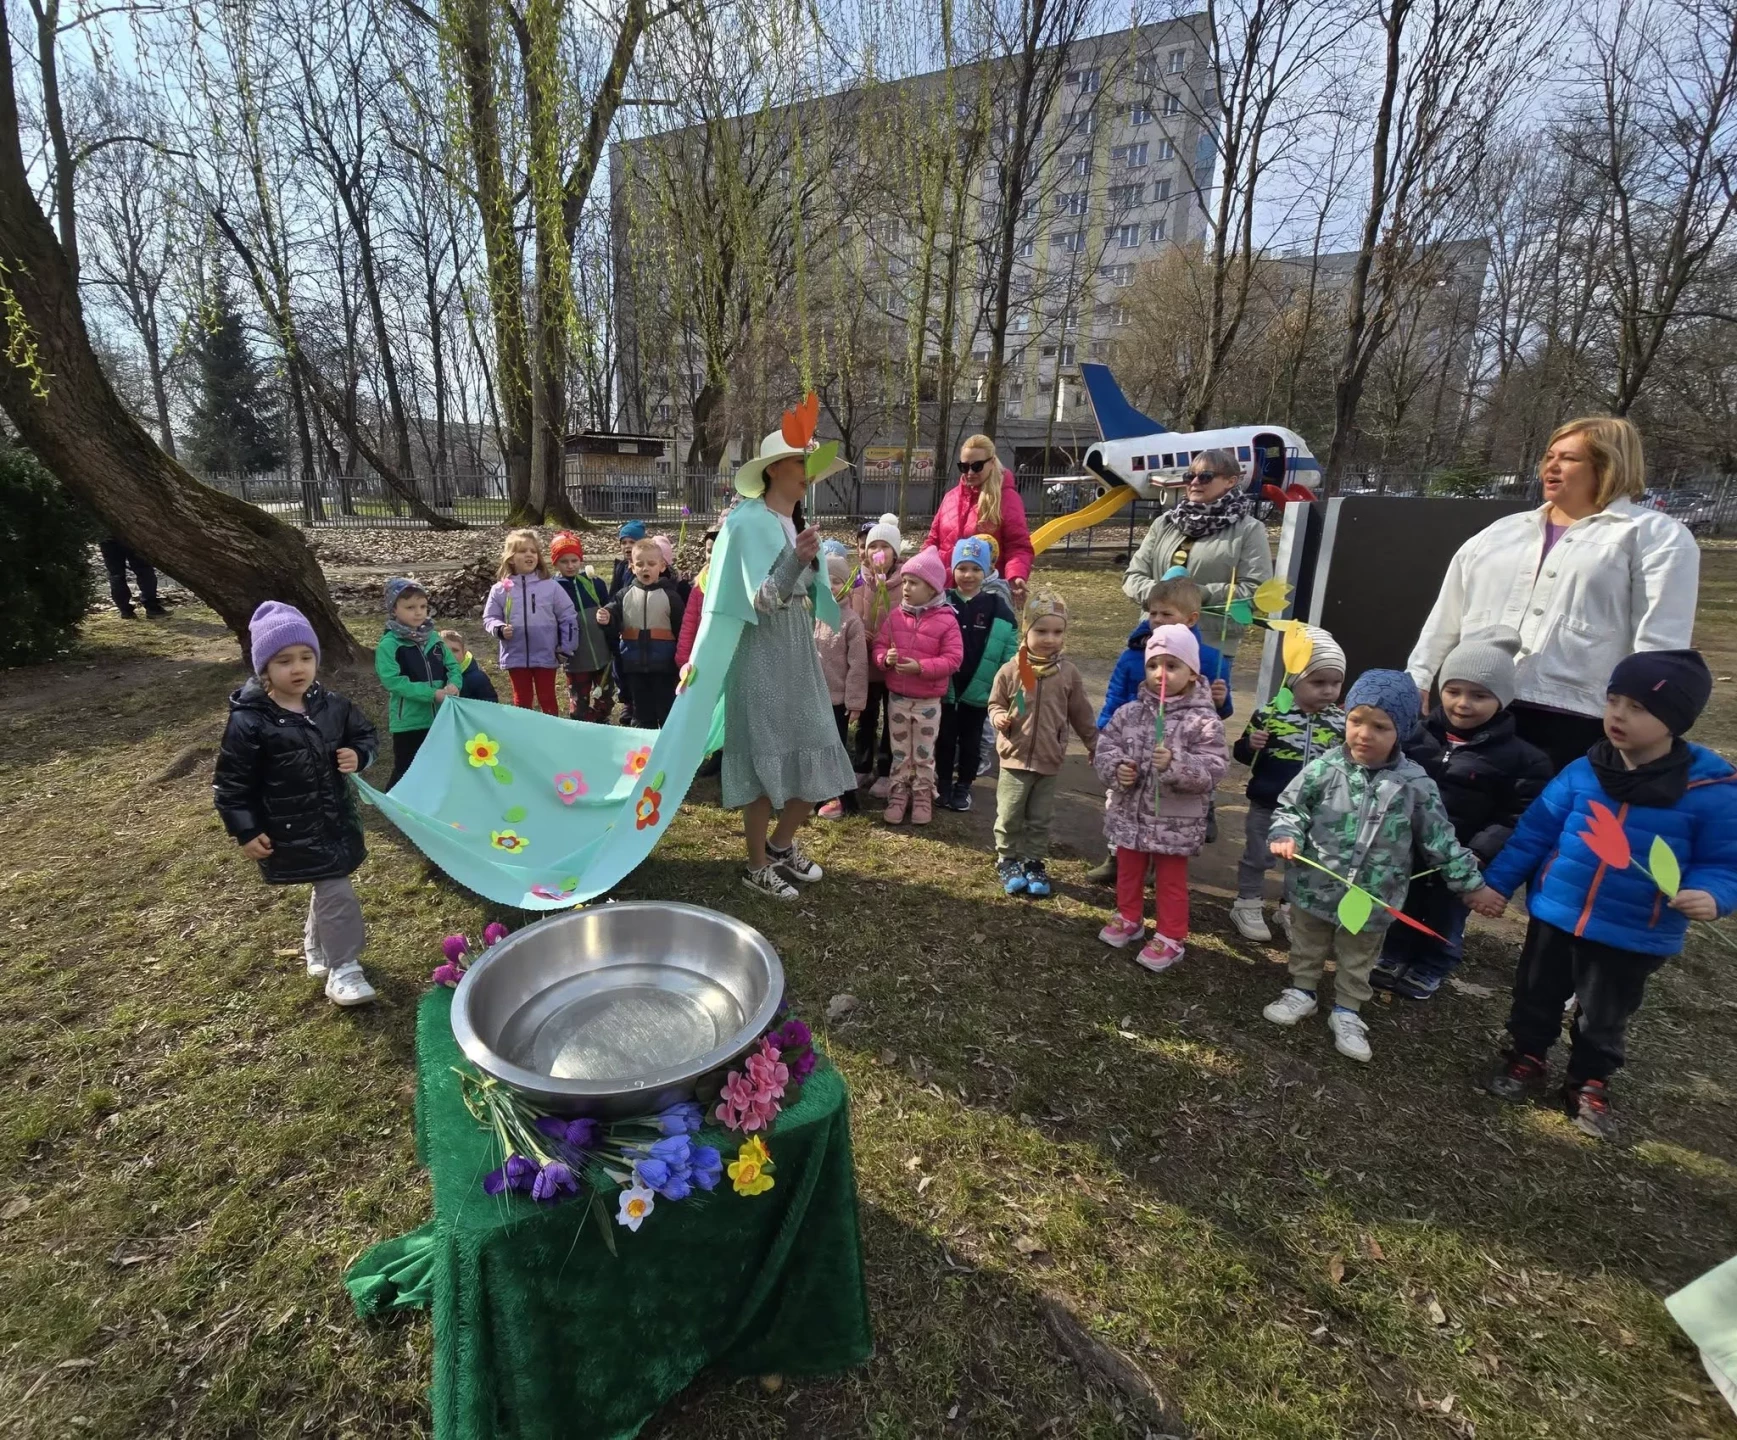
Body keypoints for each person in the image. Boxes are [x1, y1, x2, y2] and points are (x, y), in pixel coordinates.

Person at [1478, 650, 1736, 1140]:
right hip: (1558, 913)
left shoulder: (1711, 791)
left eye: (1638, 708)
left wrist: (1711, 894)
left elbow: (1724, 862)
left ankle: (1589, 1081)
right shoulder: (1583, 771)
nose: (1618, 715)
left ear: (1676, 718)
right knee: (1536, 992)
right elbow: (1534, 833)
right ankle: (1527, 1055)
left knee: (1604, 1013)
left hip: (1634, 929)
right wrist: (1498, 884)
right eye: (1613, 700)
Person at [1406, 416, 1700, 776]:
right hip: (1479, 709)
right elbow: (1448, 614)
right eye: (1549, 456)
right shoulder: (1501, 534)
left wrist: (1647, 711)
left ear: (1608, 465)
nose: (1552, 466)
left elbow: (1660, 640)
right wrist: (1418, 677)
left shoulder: (1653, 535)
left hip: (1576, 717)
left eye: (1570, 458)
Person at [1261, 671, 1499, 1064]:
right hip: (1313, 885)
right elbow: (1291, 808)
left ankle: (1348, 1009)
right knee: (1307, 941)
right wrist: (1287, 833)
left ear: (1401, 730)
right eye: (1356, 721)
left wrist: (1471, 885)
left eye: (1380, 727)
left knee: (1360, 954)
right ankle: (1302, 990)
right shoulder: (1324, 768)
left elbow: (1440, 841)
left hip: (1373, 896)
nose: (1364, 734)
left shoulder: (1415, 784)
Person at [1371, 628, 1552, 1000]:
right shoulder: (1415, 736)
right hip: (1407, 846)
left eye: (1479, 695)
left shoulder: (1523, 759)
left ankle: (1434, 963)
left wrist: (1480, 851)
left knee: (1447, 913)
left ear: (1502, 698)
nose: (1463, 704)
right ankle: (1394, 952)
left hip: (1462, 855)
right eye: (1453, 691)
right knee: (1402, 900)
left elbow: (1516, 814)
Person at [213, 602, 379, 1007]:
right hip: (291, 829)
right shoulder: (250, 721)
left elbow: (365, 734)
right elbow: (231, 783)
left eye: (306, 657)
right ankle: (344, 969)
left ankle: (317, 948)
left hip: (335, 820)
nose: (298, 668)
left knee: (329, 883)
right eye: (284, 660)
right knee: (336, 888)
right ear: (264, 669)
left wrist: (359, 755)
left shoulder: (333, 705)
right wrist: (246, 829)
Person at [719, 427, 857, 900]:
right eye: (802, 464)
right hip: (759, 649)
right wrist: (797, 559)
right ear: (773, 468)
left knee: (817, 742)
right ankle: (756, 865)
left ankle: (779, 845)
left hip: (797, 646)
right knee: (764, 755)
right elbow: (760, 599)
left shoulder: (792, 522)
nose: (809, 475)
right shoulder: (747, 521)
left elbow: (800, 592)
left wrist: (807, 562)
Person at [1092, 625, 1229, 973]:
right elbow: (1106, 747)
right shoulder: (1129, 713)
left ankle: (1171, 935)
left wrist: (1175, 765)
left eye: (1172, 665)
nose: (1160, 673)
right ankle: (1129, 916)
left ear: (1192, 672)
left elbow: (1213, 768)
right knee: (1128, 868)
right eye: (1153, 665)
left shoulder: (1204, 721)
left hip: (1175, 823)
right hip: (1131, 815)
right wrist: (1117, 769)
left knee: (1170, 881)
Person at [1085, 576, 1234, 881]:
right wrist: (1102, 737)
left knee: (1167, 810)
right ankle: (1117, 857)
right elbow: (1115, 697)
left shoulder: (1209, 659)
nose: (1157, 619)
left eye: (1167, 613)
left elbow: (1216, 714)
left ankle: (1158, 864)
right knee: (1122, 802)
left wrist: (1221, 700)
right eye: (1153, 613)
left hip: (1176, 752)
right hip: (1133, 745)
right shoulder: (1133, 655)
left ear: (1191, 618)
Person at [1226, 627, 1347, 942]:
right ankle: (1247, 903)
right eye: (1318, 682)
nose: (1328, 691)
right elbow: (1242, 754)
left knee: (1303, 862)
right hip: (1269, 803)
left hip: (1313, 810)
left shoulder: (1340, 722)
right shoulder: (1270, 715)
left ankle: (1290, 908)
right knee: (1258, 855)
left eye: (1336, 683)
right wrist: (1250, 744)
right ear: (1294, 680)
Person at [986, 591, 1098, 898]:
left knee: (1040, 818)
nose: (1050, 639)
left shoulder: (1068, 674)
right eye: (1041, 631)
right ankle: (1007, 859)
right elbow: (995, 703)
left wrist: (1094, 743)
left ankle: (1033, 861)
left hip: (1049, 759)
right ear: (1026, 631)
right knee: (1010, 814)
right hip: (1014, 757)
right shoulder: (1012, 670)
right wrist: (998, 717)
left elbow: (1081, 713)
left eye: (1057, 632)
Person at [1122, 449, 1272, 671]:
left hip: (1208, 648)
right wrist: (1161, 596)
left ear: (1231, 481)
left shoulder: (1249, 529)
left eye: (1205, 476)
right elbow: (1132, 577)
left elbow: (1257, 591)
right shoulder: (1165, 523)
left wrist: (1199, 595)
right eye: (1189, 476)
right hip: (1154, 643)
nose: (1194, 482)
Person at [873, 547, 964, 826]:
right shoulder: (895, 617)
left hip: (927, 702)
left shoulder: (947, 620)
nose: (906, 588)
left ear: (932, 587)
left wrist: (921, 668)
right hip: (898, 699)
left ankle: (923, 793)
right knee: (900, 750)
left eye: (913, 583)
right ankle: (899, 792)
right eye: (904, 581)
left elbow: (953, 659)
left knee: (923, 752)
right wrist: (885, 659)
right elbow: (879, 646)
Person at [938, 537, 1019, 812]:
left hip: (979, 690)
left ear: (986, 571)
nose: (968, 575)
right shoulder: (943, 601)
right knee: (944, 739)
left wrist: (1009, 683)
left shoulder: (997, 606)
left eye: (975, 568)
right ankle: (943, 784)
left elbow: (1010, 647)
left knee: (971, 743)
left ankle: (964, 786)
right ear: (953, 570)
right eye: (962, 568)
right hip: (948, 688)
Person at [924, 435, 1034, 606]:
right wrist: (919, 568)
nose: (970, 473)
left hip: (986, 594)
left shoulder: (1007, 499)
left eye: (977, 466)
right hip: (945, 593)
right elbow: (933, 541)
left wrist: (1016, 575)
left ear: (992, 462)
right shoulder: (950, 498)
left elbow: (1018, 546)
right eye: (964, 467)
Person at [374, 577, 461, 789]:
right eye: (410, 607)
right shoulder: (389, 644)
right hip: (409, 721)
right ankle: (393, 802)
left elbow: (453, 666)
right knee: (406, 768)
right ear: (394, 609)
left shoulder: (435, 639)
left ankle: (429, 801)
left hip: (440, 717)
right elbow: (393, 681)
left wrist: (454, 685)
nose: (418, 612)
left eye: (423, 606)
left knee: (438, 764)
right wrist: (431, 694)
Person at [482, 530, 577, 716]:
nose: (529, 555)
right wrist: (499, 629)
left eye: (533, 551)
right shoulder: (500, 589)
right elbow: (489, 617)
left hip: (545, 653)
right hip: (515, 654)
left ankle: (550, 729)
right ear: (511, 558)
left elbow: (568, 615)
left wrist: (566, 647)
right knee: (522, 698)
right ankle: (523, 730)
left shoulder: (551, 586)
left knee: (547, 697)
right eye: (522, 551)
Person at [599, 538, 686, 729]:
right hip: (634, 665)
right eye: (639, 564)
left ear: (662, 566)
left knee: (666, 710)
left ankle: (667, 742)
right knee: (641, 712)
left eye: (651, 564)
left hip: (664, 667)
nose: (645, 568)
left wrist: (681, 660)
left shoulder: (671, 597)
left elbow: (681, 628)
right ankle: (643, 743)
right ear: (632, 567)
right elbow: (613, 615)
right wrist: (607, 617)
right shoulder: (625, 594)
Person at [847, 514, 905, 796]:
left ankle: (885, 769)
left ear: (895, 553)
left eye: (884, 546)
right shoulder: (856, 580)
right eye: (872, 546)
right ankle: (862, 765)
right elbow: (846, 613)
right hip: (865, 663)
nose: (877, 552)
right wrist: (859, 631)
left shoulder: (905, 583)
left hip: (893, 664)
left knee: (892, 718)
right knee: (866, 717)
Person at [815, 553, 869, 820]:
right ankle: (819, 794)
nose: (832, 587)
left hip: (837, 700)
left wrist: (855, 702)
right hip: (813, 697)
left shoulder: (851, 621)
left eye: (837, 581)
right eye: (827, 582)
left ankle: (846, 799)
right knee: (816, 748)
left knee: (835, 749)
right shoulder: (813, 615)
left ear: (846, 584)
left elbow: (858, 665)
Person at [549, 531, 613, 721]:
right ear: (555, 563)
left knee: (605, 698)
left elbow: (610, 608)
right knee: (578, 705)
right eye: (564, 561)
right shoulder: (553, 588)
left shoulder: (595, 583)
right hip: (576, 659)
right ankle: (585, 725)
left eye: (574, 560)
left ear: (581, 560)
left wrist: (608, 614)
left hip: (602, 654)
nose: (570, 566)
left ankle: (602, 721)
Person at [98, 535, 164, 618]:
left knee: (116, 575)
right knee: (144, 570)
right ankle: (152, 607)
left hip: (107, 538)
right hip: (132, 536)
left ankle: (125, 610)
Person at [439, 629, 499, 702]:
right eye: (445, 650)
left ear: (464, 653)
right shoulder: (431, 675)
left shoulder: (477, 678)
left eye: (455, 650)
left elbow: (491, 703)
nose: (450, 654)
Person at [612, 519, 647, 595]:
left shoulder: (644, 569)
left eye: (632, 542)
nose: (627, 546)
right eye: (624, 543)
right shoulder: (620, 567)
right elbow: (613, 593)